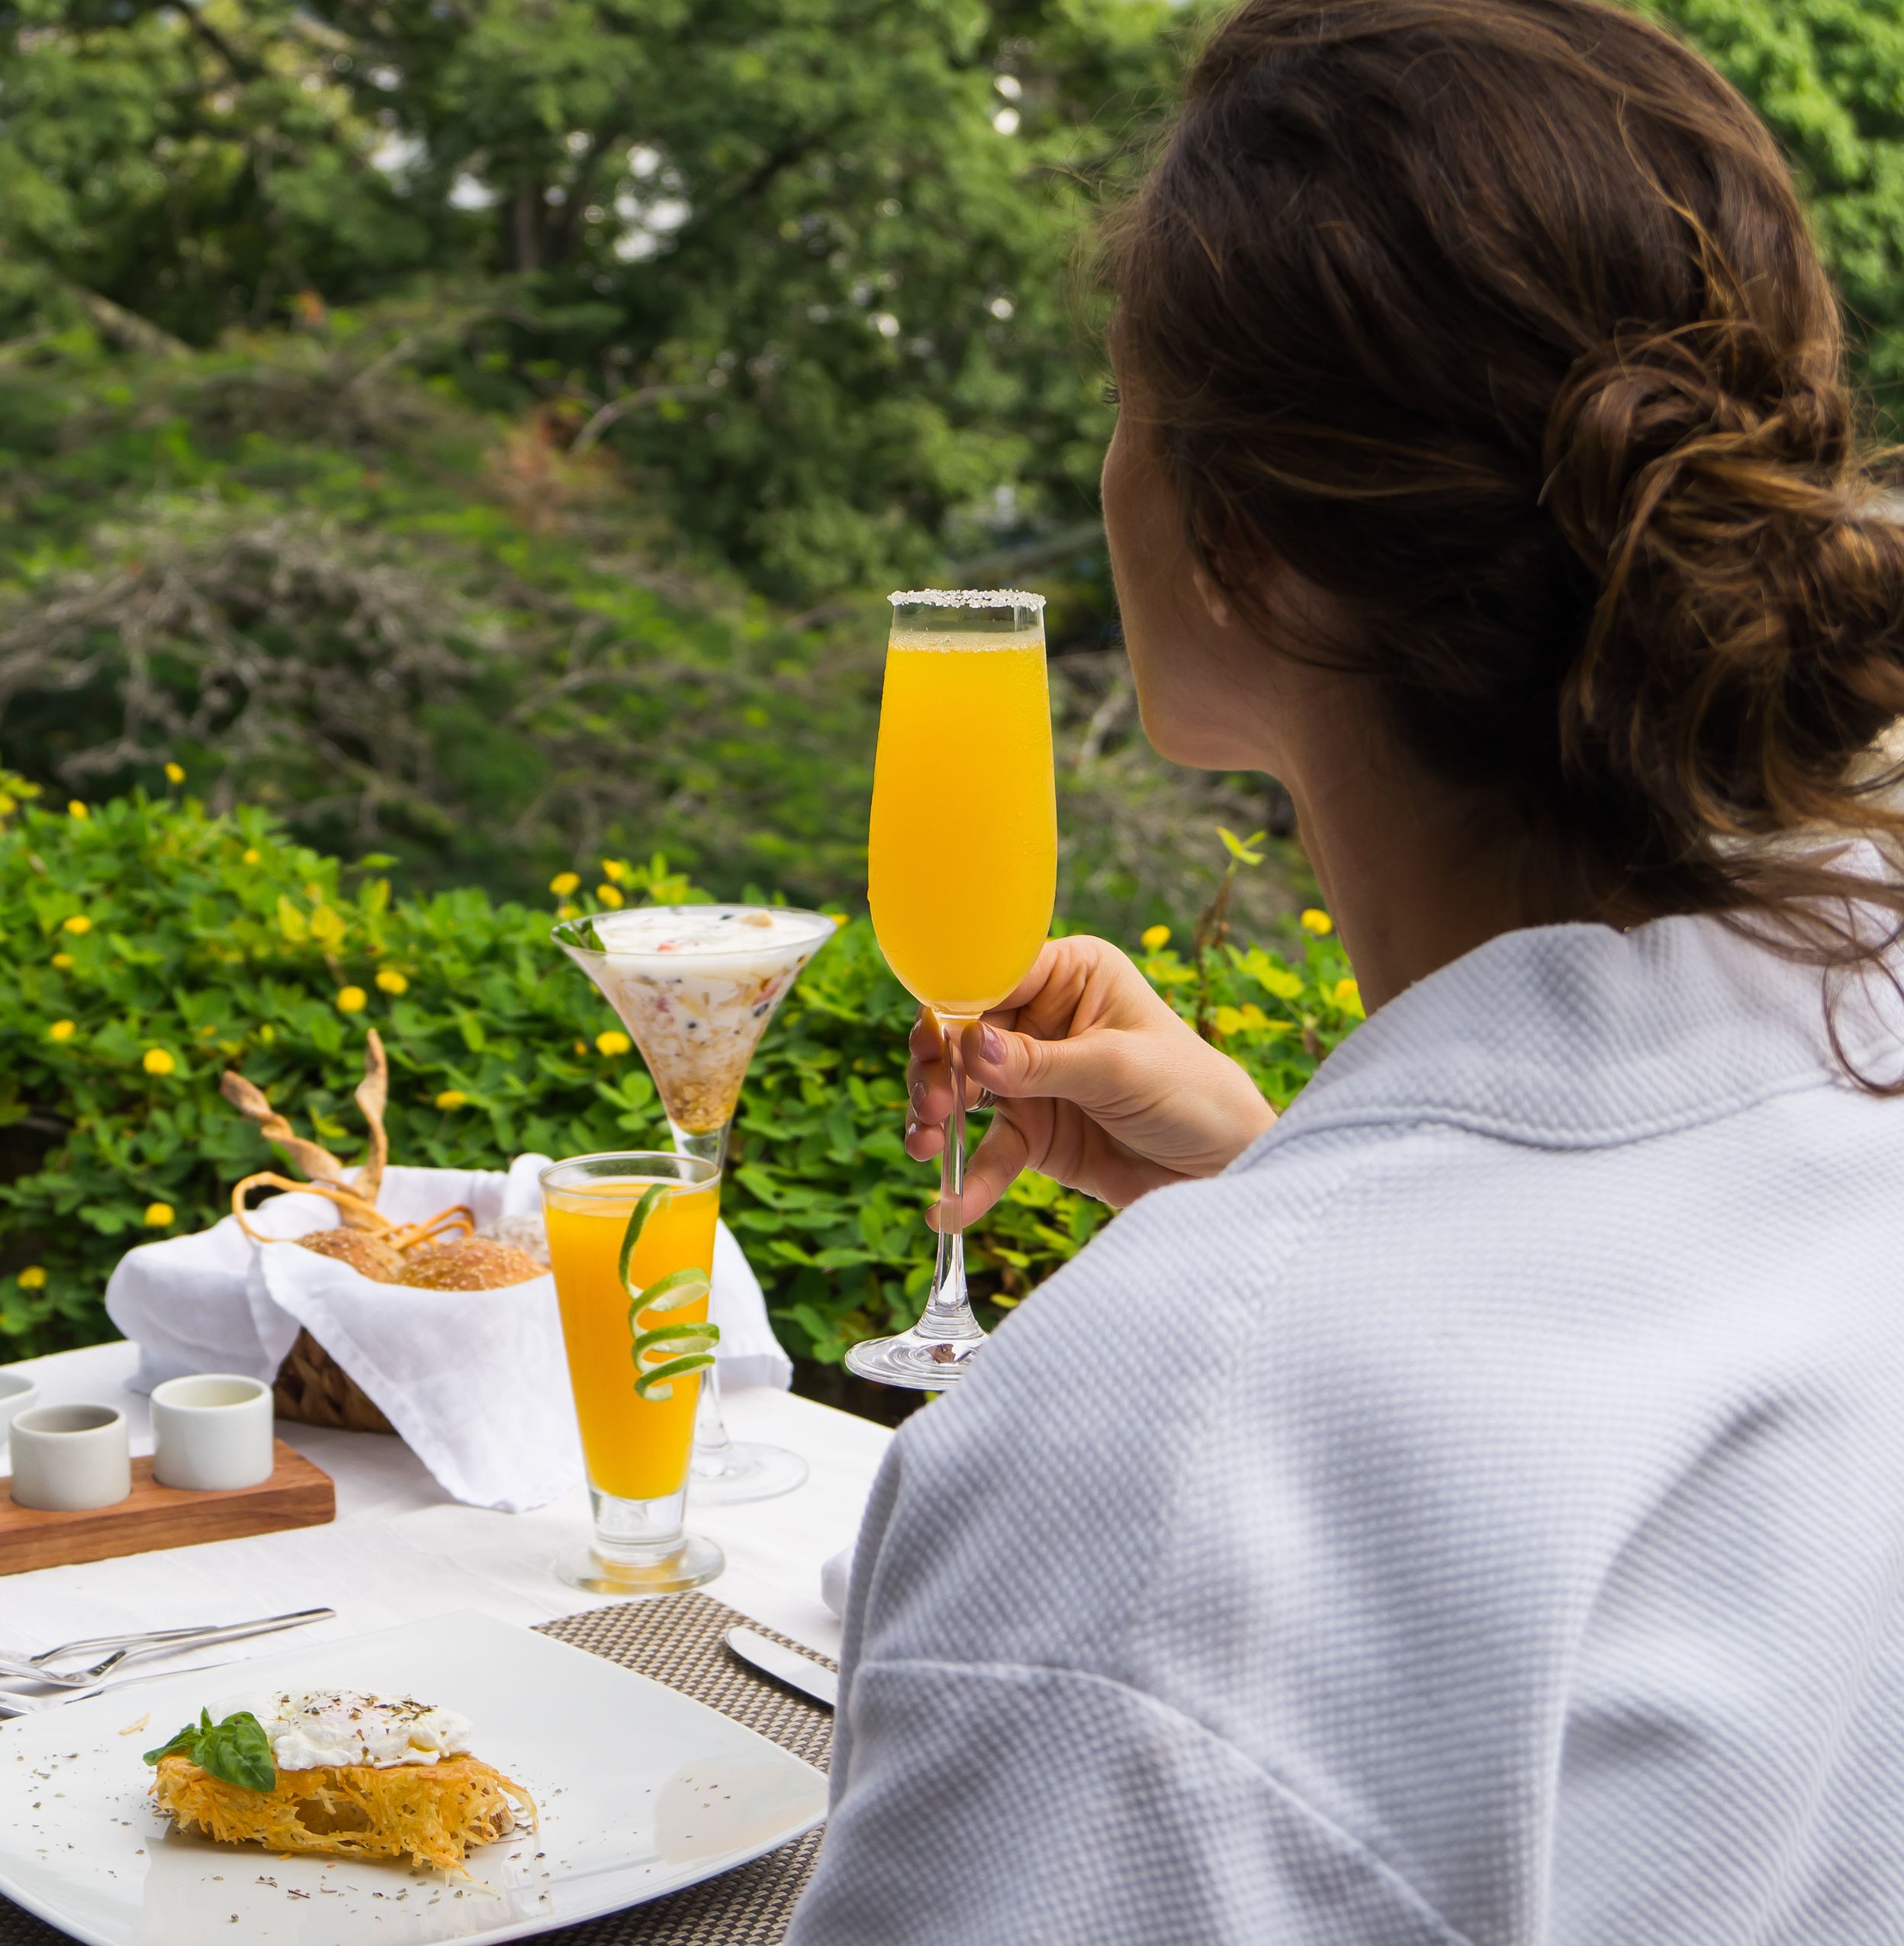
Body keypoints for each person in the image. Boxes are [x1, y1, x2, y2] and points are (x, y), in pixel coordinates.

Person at [793, 1, 1904, 1940]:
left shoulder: (1161, 1480)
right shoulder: (1848, 1064)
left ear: (1237, 544)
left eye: (1122, 405)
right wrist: (1295, 1194)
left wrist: (1276, 1300)